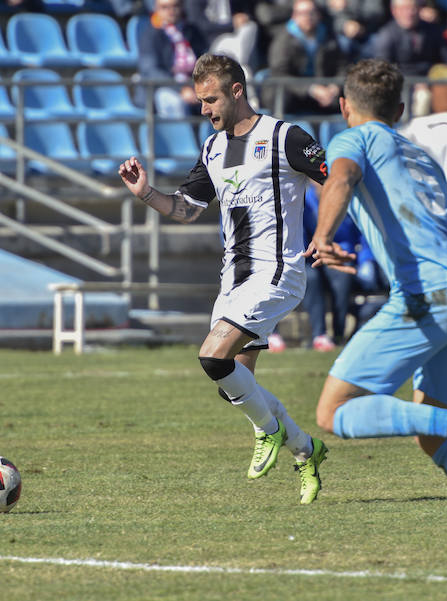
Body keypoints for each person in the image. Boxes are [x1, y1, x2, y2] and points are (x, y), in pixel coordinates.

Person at [304, 58, 447, 570]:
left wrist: (321, 237)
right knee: (430, 433)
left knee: (332, 413)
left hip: (428, 294)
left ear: (344, 107)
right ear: (403, 110)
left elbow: (339, 177)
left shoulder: (353, 140)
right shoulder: (420, 153)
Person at [118, 53, 329, 505]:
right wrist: (146, 194)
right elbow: (187, 209)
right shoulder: (212, 148)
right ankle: (306, 451)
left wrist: (327, 234)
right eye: (199, 101)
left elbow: (334, 181)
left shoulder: (284, 136)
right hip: (233, 280)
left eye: (210, 99)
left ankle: (269, 432)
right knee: (234, 382)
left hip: (277, 272)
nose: (204, 109)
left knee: (213, 357)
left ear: (237, 91)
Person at [302, 182, 360, 351]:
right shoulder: (303, 200)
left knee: (342, 277)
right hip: (309, 256)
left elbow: (358, 232)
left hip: (338, 253)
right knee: (311, 279)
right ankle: (319, 335)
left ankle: (339, 334)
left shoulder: (345, 197)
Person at [265, 0, 347, 115]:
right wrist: (311, 89)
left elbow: (342, 66)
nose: (307, 17)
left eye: (311, 12)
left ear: (318, 15)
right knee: (282, 96)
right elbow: (280, 74)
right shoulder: (282, 40)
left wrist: (334, 87)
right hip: (294, 94)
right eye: (302, 13)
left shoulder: (328, 36)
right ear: (294, 16)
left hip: (324, 92)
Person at [137, 0, 209, 116]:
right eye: (164, 7)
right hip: (163, 88)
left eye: (175, 6)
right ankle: (181, 134)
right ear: (157, 9)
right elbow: (150, 71)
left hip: (193, 86)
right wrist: (181, 88)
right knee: (172, 101)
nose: (171, 11)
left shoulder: (193, 32)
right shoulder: (150, 36)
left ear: (182, 7)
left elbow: (206, 62)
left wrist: (196, 88)